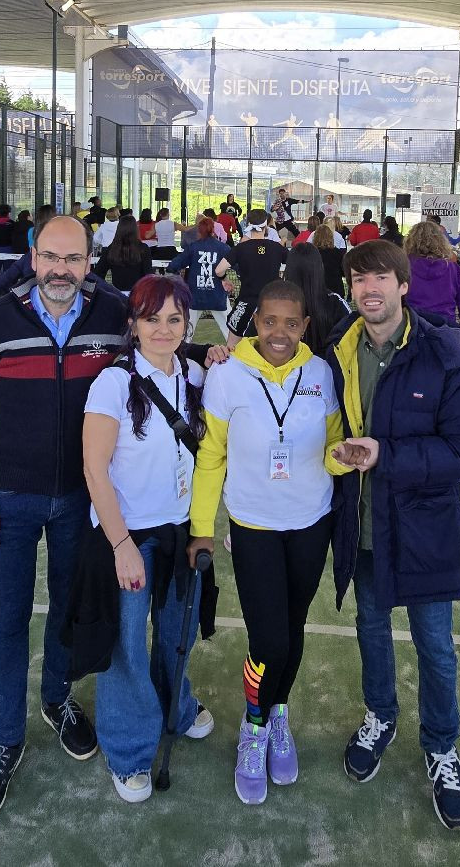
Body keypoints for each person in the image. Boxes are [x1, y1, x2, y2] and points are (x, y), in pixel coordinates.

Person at [0, 215, 128, 830]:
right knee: (8, 620)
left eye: (73, 259)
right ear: (32, 258)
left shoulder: (112, 315)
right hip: (10, 497)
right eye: (51, 257)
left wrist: (203, 350)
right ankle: (6, 741)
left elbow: (158, 346)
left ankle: (57, 699)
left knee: (66, 608)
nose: (61, 270)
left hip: (81, 498)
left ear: (89, 263)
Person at [324, 239, 460, 831]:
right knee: (370, 628)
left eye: (380, 278)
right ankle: (381, 715)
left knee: (434, 645)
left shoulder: (444, 353)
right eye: (359, 278)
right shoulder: (337, 348)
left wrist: (385, 455)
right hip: (362, 526)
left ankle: (442, 746)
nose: (369, 289)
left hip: (425, 530)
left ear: (403, 285)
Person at [191, 280, 345, 805]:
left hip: (311, 522)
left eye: (291, 323)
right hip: (253, 525)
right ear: (255, 321)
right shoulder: (226, 375)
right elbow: (211, 456)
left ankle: (279, 713)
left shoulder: (320, 373)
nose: (280, 332)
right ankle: (254, 726)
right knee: (269, 640)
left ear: (305, 326)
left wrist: (339, 459)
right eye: (270, 321)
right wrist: (201, 527)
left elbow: (331, 445)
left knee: (293, 629)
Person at [83, 274, 214, 803]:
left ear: (187, 324)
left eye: (174, 319)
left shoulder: (197, 375)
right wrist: (121, 546)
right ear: (133, 324)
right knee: (127, 646)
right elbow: (94, 469)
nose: (163, 329)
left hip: (180, 531)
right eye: (151, 318)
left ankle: (177, 707)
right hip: (129, 536)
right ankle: (130, 747)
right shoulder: (113, 384)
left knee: (178, 633)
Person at [214, 209, 288, 348]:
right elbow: (293, 264)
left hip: (245, 304)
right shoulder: (277, 248)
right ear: (266, 226)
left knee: (232, 347)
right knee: (272, 348)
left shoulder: (240, 248)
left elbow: (218, 270)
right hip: (272, 306)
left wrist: (224, 279)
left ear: (248, 224)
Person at [403, 221, 460, 336]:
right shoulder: (454, 269)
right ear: (441, 241)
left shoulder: (402, 268)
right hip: (445, 330)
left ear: (410, 241)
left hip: (410, 329)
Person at [167, 216, 232, 340]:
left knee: (187, 333)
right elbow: (238, 265)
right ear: (213, 230)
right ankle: (237, 351)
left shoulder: (193, 247)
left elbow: (173, 265)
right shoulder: (223, 248)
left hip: (195, 295)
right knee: (230, 331)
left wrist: (178, 278)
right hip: (218, 295)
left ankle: (182, 351)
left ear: (199, 231)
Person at [282, 242, 349, 355]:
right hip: (326, 363)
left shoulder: (272, 303)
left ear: (288, 269)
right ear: (319, 267)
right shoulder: (335, 303)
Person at [95, 215, 152, 294]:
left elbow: (98, 272)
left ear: (118, 229)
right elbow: (148, 274)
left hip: (117, 293)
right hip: (138, 292)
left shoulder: (111, 249)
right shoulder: (143, 248)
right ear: (136, 229)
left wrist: (105, 290)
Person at [312, 223, 346, 297]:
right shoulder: (337, 253)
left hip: (316, 290)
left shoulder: (312, 253)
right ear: (331, 237)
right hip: (336, 290)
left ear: (315, 237)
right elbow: (344, 272)